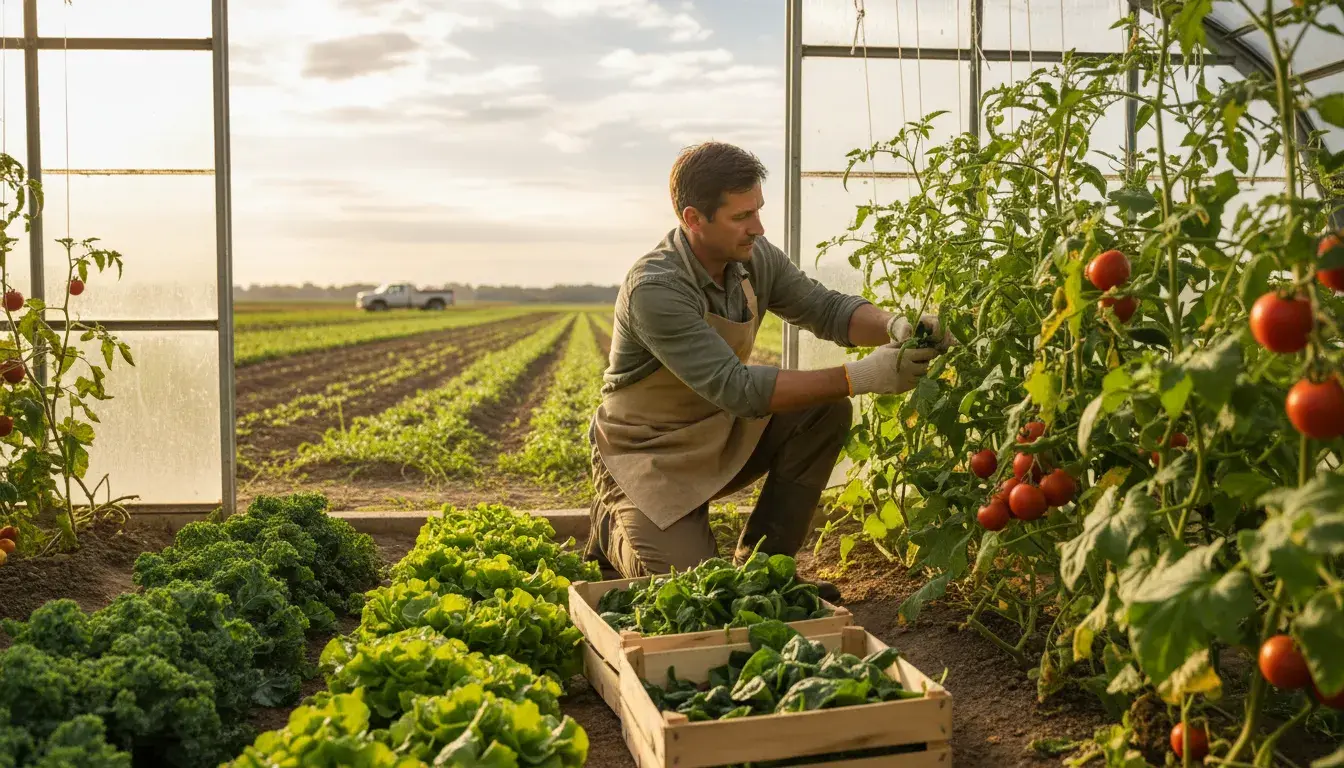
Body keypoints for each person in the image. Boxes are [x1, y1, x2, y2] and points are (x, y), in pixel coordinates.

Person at [585, 141, 951, 602]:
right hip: (647, 451)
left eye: (757, 210)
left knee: (823, 411)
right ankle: (611, 521)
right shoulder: (656, 288)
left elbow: (826, 309)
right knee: (696, 592)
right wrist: (861, 376)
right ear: (693, 218)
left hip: (717, 428)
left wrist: (896, 324)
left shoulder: (753, 259)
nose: (757, 227)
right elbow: (737, 388)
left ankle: (766, 565)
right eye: (741, 217)